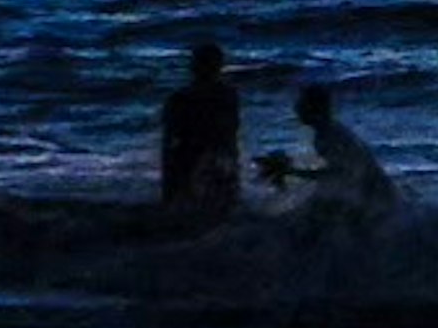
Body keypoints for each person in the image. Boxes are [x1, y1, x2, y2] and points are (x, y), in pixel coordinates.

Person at [260, 82, 399, 217]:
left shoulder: (328, 136)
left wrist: (294, 172)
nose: (296, 109)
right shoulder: (329, 131)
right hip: (376, 196)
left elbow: (342, 174)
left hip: (375, 201)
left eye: (301, 104)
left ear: (313, 109)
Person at [158, 42, 241, 219]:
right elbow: (231, 133)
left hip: (194, 157)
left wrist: (168, 183)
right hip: (212, 157)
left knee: (193, 210)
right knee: (221, 210)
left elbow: (168, 142)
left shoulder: (180, 98)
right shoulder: (227, 95)